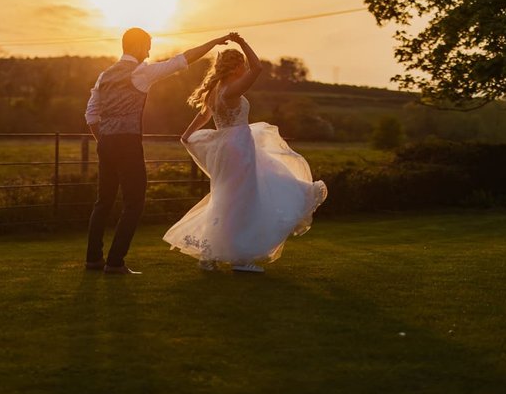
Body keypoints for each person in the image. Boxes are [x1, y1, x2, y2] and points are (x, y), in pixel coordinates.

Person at [163, 33, 328, 273]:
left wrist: (186, 134)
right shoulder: (231, 89)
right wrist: (241, 42)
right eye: (242, 64)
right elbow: (258, 67)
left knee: (227, 199)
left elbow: (204, 115)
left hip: (225, 147)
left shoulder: (216, 90)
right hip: (238, 146)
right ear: (237, 66)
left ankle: (210, 255)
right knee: (243, 199)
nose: (245, 67)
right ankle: (240, 259)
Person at [85, 27, 232, 275]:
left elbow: (90, 115)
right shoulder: (141, 73)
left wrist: (104, 140)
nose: (150, 51)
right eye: (149, 45)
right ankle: (115, 263)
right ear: (139, 46)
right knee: (134, 202)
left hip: (105, 142)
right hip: (127, 142)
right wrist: (215, 42)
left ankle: (93, 260)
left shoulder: (104, 75)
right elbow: (182, 60)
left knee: (104, 202)